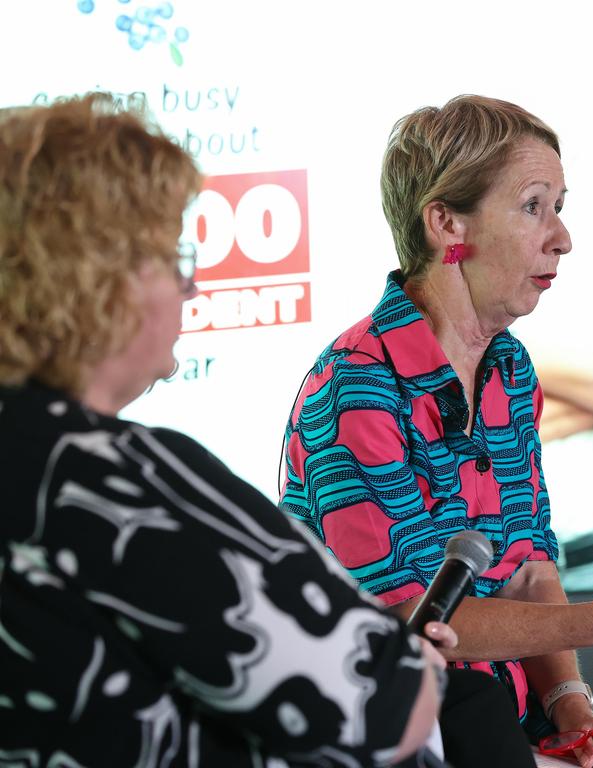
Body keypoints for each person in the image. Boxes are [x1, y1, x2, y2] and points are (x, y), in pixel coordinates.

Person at [0, 93, 454, 767]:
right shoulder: (111, 480)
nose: (190, 290)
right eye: (173, 256)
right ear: (100, 280)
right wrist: (417, 662)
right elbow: (379, 705)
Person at [280, 95, 593, 768]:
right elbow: (413, 617)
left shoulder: (510, 369)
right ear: (445, 223)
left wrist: (574, 711)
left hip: (513, 727)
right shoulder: (355, 385)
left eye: (560, 206)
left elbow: (528, 570)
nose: (562, 237)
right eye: (533, 206)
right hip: (406, 737)